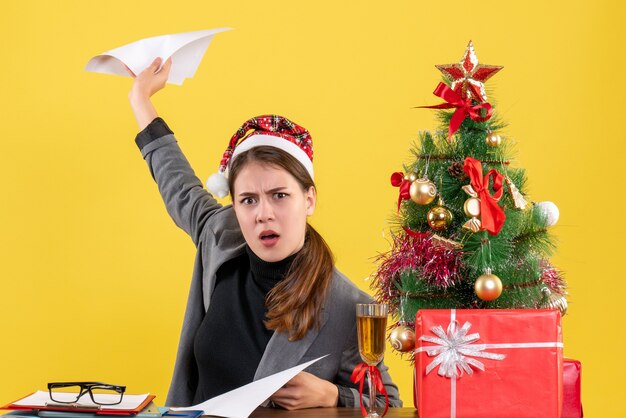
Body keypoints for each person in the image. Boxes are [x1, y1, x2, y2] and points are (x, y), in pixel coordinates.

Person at [126, 57, 402, 410]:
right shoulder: (220, 235)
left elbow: (388, 403)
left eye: (279, 195)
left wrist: (334, 395)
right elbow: (177, 183)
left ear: (309, 198)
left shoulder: (349, 308)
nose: (263, 214)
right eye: (248, 200)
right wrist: (140, 98)